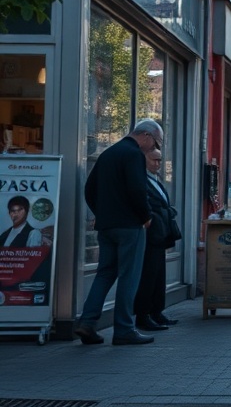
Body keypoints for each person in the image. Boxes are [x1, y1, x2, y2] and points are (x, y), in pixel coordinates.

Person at [73, 120, 160, 346]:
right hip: (130, 226)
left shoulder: (108, 153)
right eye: (155, 143)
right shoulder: (134, 154)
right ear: (146, 135)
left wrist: (101, 213)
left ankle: (87, 322)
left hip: (107, 226)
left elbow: (89, 189)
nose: (153, 148)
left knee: (104, 273)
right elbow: (138, 189)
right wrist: (146, 216)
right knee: (129, 276)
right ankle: (124, 329)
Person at [133, 146, 179, 331]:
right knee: (148, 275)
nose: (158, 164)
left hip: (160, 234)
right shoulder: (141, 179)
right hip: (149, 234)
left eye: (160, 160)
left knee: (158, 275)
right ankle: (143, 315)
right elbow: (144, 204)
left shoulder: (155, 179)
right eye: (154, 160)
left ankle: (156, 312)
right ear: (143, 159)